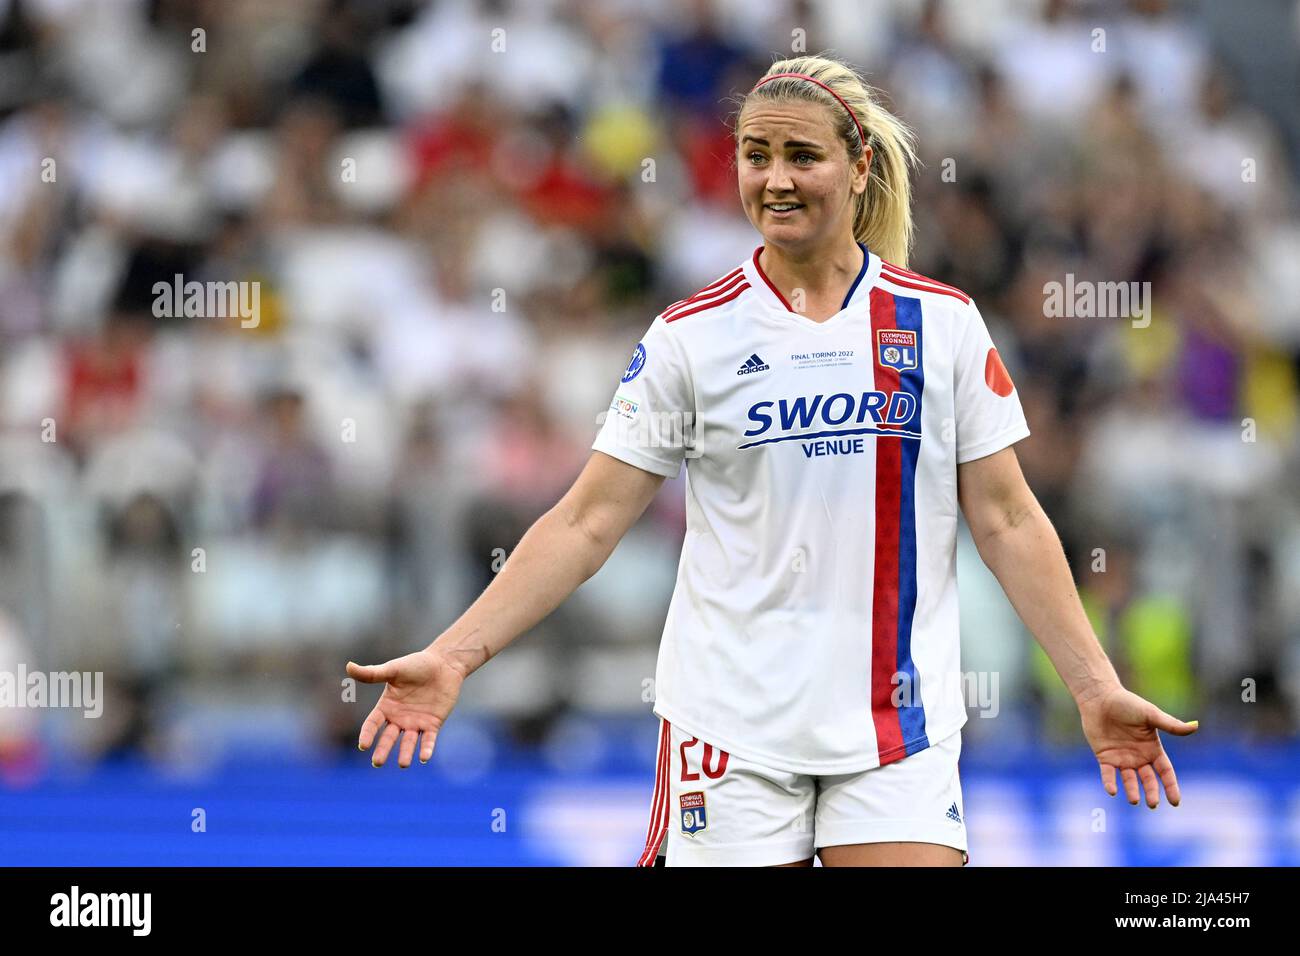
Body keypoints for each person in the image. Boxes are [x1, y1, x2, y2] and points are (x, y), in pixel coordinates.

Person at [346, 54, 1198, 867]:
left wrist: (1092, 686)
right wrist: (455, 655)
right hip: (730, 731)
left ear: (859, 165)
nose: (776, 179)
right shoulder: (691, 337)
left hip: (896, 728)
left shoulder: (941, 325)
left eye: (801, 155)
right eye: (756, 156)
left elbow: (1008, 517)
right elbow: (586, 520)